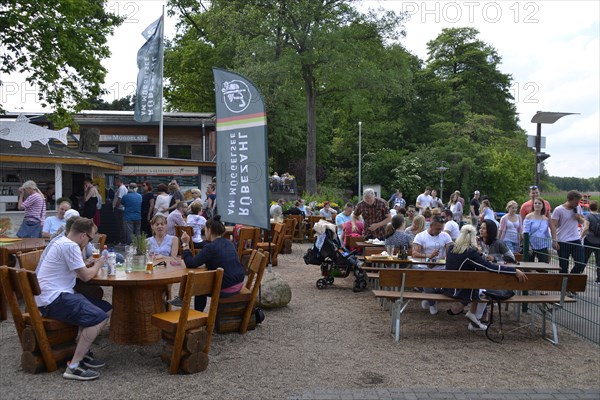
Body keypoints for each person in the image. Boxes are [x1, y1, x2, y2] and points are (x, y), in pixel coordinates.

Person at [35, 217, 111, 380]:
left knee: (105, 307)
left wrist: (88, 262)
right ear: (83, 235)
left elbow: (75, 268)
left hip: (52, 296)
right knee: (99, 318)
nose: (89, 243)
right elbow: (85, 277)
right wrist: (98, 263)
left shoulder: (62, 241)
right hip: (53, 300)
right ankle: (74, 366)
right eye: (90, 239)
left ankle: (82, 352)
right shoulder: (70, 246)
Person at [443, 224, 527, 331]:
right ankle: (475, 319)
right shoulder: (470, 253)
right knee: (486, 291)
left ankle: (474, 318)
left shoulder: (451, 248)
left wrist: (478, 252)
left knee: (479, 285)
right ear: (473, 238)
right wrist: (514, 271)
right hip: (461, 292)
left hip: (448, 289)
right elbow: (490, 267)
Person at [178, 215, 245, 311]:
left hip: (227, 287)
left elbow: (190, 263)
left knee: (200, 288)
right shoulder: (229, 242)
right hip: (239, 282)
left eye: (205, 229)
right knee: (202, 284)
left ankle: (198, 315)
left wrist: (185, 244)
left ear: (209, 230)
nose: (204, 232)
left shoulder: (210, 247)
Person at [411, 215, 453, 315]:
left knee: (450, 279)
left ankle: (427, 295)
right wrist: (428, 256)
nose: (440, 231)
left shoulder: (445, 236)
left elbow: (451, 252)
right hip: (424, 266)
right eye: (438, 228)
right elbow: (415, 254)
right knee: (425, 277)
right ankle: (432, 302)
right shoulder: (420, 236)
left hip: (441, 267)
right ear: (431, 225)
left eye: (441, 229)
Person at [552, 190, 585, 275]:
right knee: (563, 266)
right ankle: (563, 285)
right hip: (563, 241)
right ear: (569, 200)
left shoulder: (578, 208)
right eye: (576, 202)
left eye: (579, 202)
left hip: (575, 239)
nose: (577, 204)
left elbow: (582, 222)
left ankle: (571, 280)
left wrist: (579, 218)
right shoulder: (558, 210)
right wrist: (554, 240)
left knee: (581, 263)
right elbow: (553, 226)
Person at [523, 197, 554, 263]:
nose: (537, 205)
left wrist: (549, 247)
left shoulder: (545, 219)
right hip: (531, 245)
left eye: (539, 203)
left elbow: (547, 234)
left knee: (544, 265)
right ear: (533, 205)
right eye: (535, 203)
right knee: (529, 265)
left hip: (542, 245)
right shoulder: (529, 217)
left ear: (543, 206)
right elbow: (526, 232)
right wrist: (528, 245)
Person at [581, 200, 600, 283]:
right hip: (599, 241)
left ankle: (579, 274)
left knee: (584, 258)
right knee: (599, 260)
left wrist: (581, 237)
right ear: (597, 207)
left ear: (589, 207)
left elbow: (586, 228)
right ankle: (599, 279)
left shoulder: (588, 216)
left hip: (589, 240)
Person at [112, 177, 128, 244]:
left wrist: (116, 207)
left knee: (120, 225)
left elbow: (119, 199)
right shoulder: (122, 188)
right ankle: (121, 240)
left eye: (115, 181)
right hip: (120, 209)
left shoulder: (121, 188)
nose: (114, 183)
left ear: (118, 181)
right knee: (121, 225)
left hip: (120, 209)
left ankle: (121, 240)